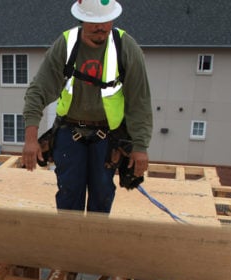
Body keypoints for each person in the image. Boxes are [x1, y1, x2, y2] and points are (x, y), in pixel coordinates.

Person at [22, 0, 153, 213]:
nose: (100, 28)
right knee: (69, 192)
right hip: (69, 131)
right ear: (82, 19)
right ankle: (70, 241)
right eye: (93, 22)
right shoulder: (66, 44)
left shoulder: (126, 47)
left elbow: (140, 101)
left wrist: (140, 147)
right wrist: (30, 139)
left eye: (105, 21)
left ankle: (94, 243)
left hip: (107, 135)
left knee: (102, 193)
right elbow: (38, 91)